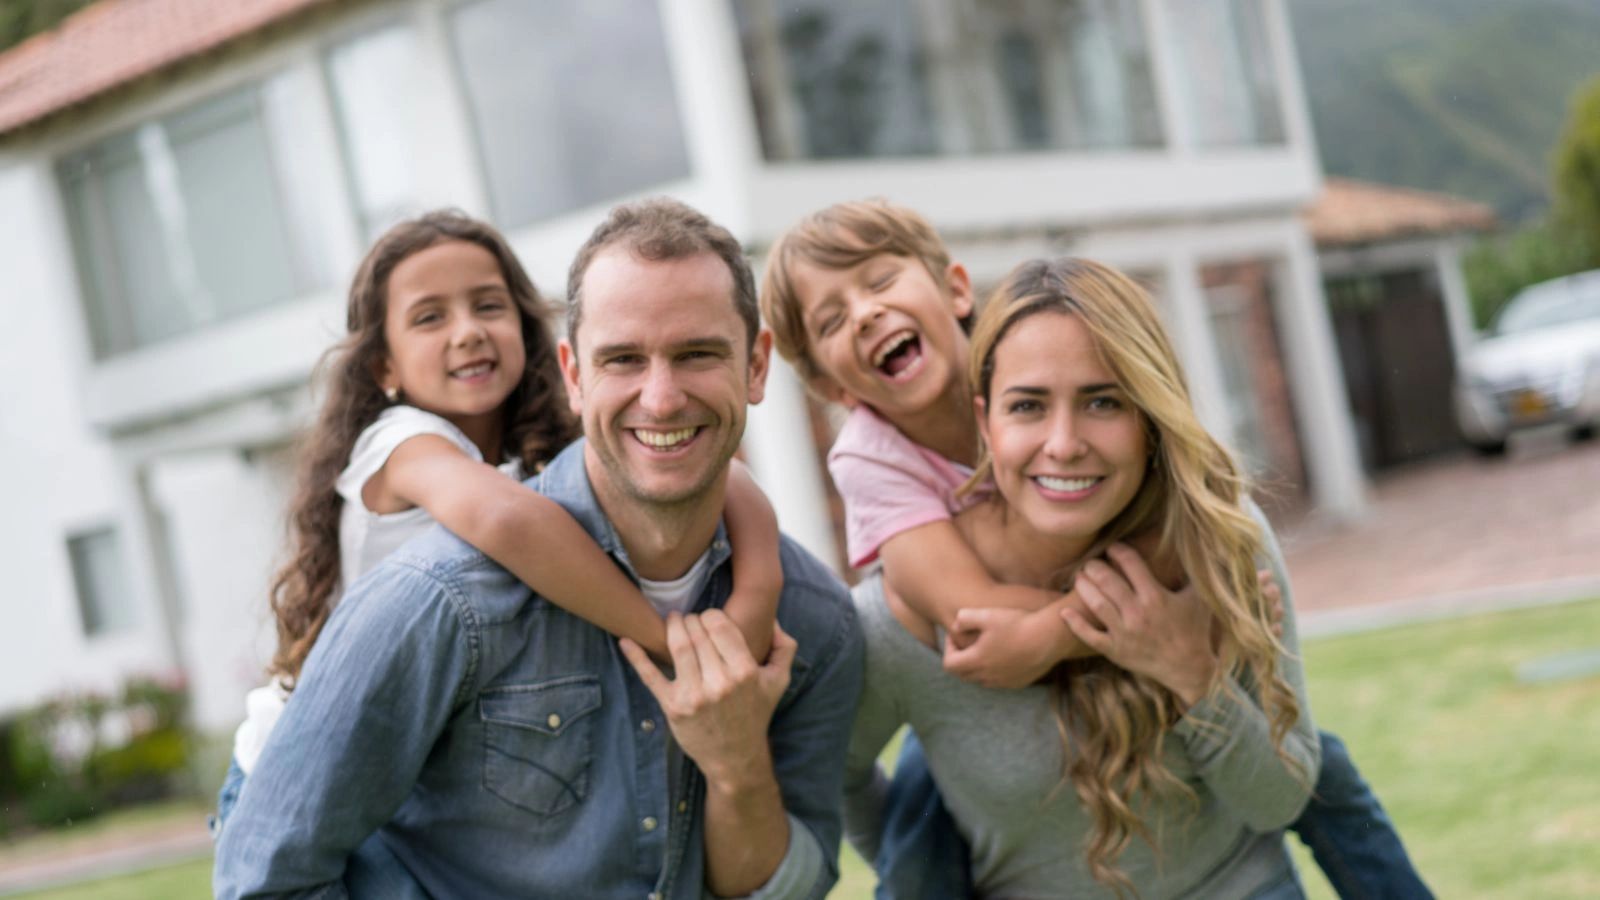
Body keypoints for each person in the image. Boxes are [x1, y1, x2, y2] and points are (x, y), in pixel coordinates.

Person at [759, 199, 1432, 898]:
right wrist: (1097, 632)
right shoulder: (877, 485)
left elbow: (1278, 793)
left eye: (1103, 401)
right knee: (921, 819)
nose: (1062, 443)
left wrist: (1191, 664)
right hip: (974, 677)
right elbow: (969, 621)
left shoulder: (1212, 538)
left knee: (1322, 766)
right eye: (1027, 405)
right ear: (989, 420)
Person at [213, 199, 863, 899]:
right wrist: (672, 644)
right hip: (285, 751)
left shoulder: (815, 621)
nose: (661, 398)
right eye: (623, 359)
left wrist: (740, 751)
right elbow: (268, 877)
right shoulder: (435, 561)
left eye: (697, 353)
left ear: (757, 365)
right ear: (575, 375)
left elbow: (792, 887)